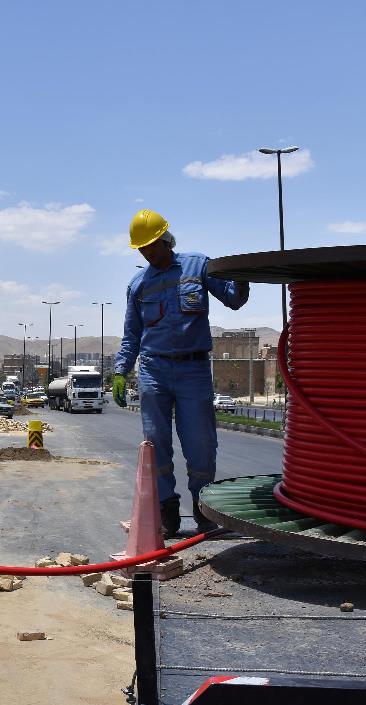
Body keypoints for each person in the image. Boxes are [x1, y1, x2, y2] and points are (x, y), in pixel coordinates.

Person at [113, 210, 249, 535]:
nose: (148, 253)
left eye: (152, 246)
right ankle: (167, 510)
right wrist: (120, 371)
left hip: (194, 368)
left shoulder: (198, 266)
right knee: (156, 443)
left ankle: (204, 508)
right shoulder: (138, 285)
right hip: (153, 369)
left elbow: (233, 299)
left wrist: (243, 275)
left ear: (166, 239)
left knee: (201, 443)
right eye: (142, 249)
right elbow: (132, 335)